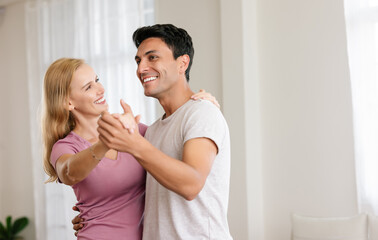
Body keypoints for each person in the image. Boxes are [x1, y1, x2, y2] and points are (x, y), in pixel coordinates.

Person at [42, 57, 219, 240]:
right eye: (88, 87)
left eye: (97, 80)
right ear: (68, 103)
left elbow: (173, 143)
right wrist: (106, 142)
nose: (101, 89)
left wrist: (197, 106)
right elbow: (69, 172)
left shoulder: (134, 130)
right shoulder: (65, 146)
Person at [97, 24, 233, 239]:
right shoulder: (153, 130)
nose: (141, 68)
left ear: (182, 63)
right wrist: (96, 214)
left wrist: (134, 144)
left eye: (152, 58)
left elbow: (191, 184)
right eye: (138, 60)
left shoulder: (202, 114)